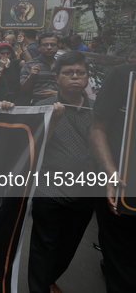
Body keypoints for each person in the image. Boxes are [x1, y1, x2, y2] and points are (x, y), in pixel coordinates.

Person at [28, 51, 95, 293]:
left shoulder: (98, 111)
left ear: (87, 77)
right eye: (68, 73)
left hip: (86, 191)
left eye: (80, 73)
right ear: (57, 78)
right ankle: (38, 287)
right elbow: (33, 148)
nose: (75, 77)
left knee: (69, 244)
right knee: (44, 244)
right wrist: (53, 119)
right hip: (49, 188)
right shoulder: (42, 107)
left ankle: (49, 279)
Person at [89, 59, 136, 293]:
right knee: (122, 267)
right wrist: (111, 173)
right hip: (121, 187)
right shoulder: (123, 75)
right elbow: (97, 128)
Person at [19, 33, 59, 105]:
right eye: (45, 45)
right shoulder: (30, 65)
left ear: (58, 47)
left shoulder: (63, 65)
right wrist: (31, 77)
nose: (49, 47)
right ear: (38, 47)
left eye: (53, 45)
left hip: (60, 105)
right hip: (36, 105)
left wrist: (58, 94)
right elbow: (22, 90)